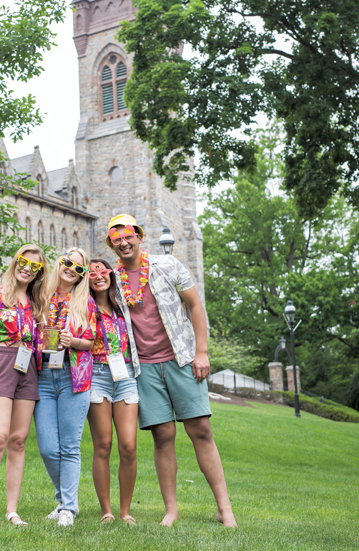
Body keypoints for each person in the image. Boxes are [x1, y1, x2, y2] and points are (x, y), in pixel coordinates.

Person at [106, 214, 237, 528]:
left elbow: (195, 306)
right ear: (112, 245)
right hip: (144, 367)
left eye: (128, 236)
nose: (124, 243)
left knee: (201, 431)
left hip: (181, 360)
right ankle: (171, 510)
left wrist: (201, 353)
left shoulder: (168, 264)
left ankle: (225, 508)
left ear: (140, 236)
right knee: (163, 436)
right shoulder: (112, 280)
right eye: (116, 239)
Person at [0, 244, 49, 528]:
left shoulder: (37, 304)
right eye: (23, 262)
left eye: (35, 266)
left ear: (40, 272)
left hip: (28, 368)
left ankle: (12, 511)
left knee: (18, 440)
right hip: (0, 364)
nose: (27, 268)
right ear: (16, 262)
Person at [34, 247, 97, 527]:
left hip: (74, 377)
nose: (71, 269)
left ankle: (68, 508)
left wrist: (74, 341)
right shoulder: (40, 297)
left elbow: (94, 342)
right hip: (43, 376)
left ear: (82, 275)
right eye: (68, 262)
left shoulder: (85, 303)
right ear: (60, 262)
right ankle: (64, 501)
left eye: (79, 268)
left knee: (70, 446)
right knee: (48, 448)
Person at [87, 258, 139, 526]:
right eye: (92, 272)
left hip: (126, 375)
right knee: (103, 445)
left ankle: (125, 511)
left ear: (111, 274)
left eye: (102, 271)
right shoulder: (84, 307)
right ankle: (106, 510)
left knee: (128, 446)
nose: (98, 276)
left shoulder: (124, 308)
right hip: (97, 375)